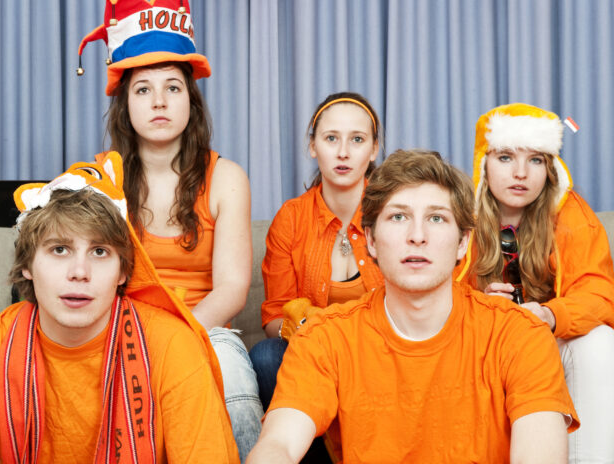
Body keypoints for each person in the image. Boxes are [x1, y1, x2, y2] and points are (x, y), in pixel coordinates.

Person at [246, 149, 578, 463]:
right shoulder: (324, 337)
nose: (417, 235)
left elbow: (539, 453)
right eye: (399, 216)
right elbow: (279, 443)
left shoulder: (520, 334)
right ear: (372, 241)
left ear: (463, 242)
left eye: (436, 218)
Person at [0, 153, 239, 463]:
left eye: (99, 252)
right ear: (27, 263)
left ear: (123, 271)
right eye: (60, 249)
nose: (79, 271)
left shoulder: (173, 347)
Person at [77, 0, 262, 459]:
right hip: (121, 329)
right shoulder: (98, 178)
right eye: (143, 90)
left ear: (191, 100)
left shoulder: (227, 178)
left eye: (172, 87)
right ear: (125, 104)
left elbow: (233, 290)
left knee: (232, 374)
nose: (159, 101)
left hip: (206, 328)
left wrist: (177, 339)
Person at [455, 102, 614, 463]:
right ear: (484, 163)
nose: (521, 173)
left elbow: (599, 293)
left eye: (536, 160)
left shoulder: (570, 212)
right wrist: (478, 304)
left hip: (547, 344)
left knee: (601, 341)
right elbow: (425, 295)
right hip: (479, 350)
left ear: (551, 167)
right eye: (506, 157)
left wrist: (548, 315)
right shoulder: (455, 214)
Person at [250, 92, 384, 409]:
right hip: (313, 352)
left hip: (379, 352)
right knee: (267, 357)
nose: (343, 152)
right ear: (313, 146)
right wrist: (320, 334)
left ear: (374, 149)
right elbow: (274, 317)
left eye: (357, 139)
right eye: (331, 138)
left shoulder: (392, 213)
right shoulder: (292, 218)